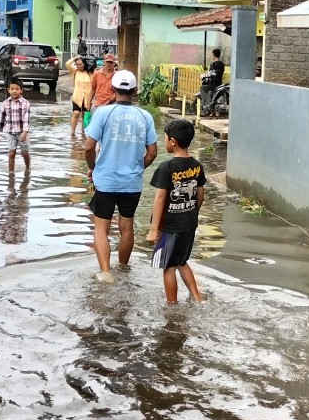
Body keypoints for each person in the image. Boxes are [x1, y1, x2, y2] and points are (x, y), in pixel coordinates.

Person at [84, 70, 157, 281]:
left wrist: (93, 167)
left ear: (113, 89)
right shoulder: (145, 116)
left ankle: (106, 272)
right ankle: (123, 269)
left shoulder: (103, 113)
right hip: (131, 183)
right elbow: (152, 152)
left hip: (106, 181)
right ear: (134, 90)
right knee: (127, 226)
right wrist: (137, 167)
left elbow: (89, 148)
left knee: (101, 228)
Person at [147, 119, 206, 304]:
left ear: (173, 141)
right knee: (182, 262)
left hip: (170, 226)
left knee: (169, 267)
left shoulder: (167, 167)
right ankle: (198, 298)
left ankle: (172, 305)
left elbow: (160, 198)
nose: (164, 142)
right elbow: (201, 195)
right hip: (189, 223)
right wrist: (191, 213)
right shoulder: (197, 165)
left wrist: (154, 229)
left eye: (164, 138)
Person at [0, 78, 31, 172]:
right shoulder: (5, 103)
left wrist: (25, 131)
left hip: (22, 133)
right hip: (10, 132)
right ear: (8, 90)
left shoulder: (25, 103)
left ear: (21, 90)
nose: (14, 91)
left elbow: (26, 119)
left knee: (24, 153)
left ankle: (28, 169)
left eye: (17, 89)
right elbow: (2, 119)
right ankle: (11, 174)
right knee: (11, 153)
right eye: (12, 89)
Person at [66, 54, 94, 139]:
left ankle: (83, 132)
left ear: (84, 64)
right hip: (77, 97)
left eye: (80, 64)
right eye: (77, 65)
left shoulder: (90, 73)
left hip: (87, 98)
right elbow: (67, 64)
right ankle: (72, 132)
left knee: (85, 116)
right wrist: (76, 58)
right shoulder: (74, 72)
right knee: (76, 113)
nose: (78, 66)